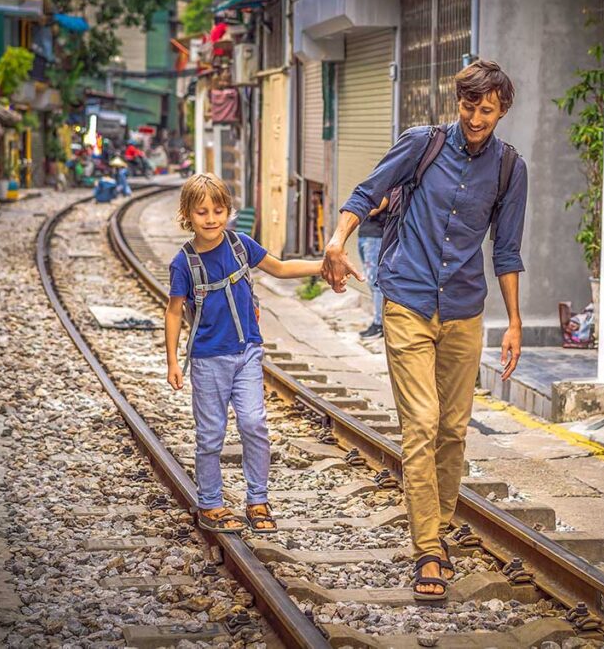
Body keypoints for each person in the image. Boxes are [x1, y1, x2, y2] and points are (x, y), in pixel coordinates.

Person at [321, 59, 527, 601]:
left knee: (454, 430)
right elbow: (366, 195)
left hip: (464, 311)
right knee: (422, 424)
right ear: (457, 103)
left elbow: (505, 251)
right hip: (408, 300)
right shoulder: (422, 144)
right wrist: (338, 240)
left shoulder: (509, 168)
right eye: (468, 106)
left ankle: (436, 526)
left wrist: (514, 324)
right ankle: (430, 550)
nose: (476, 118)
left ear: (502, 110)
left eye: (487, 109)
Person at [165, 173, 322, 533]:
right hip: (207, 358)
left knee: (254, 423)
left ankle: (257, 499)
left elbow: (280, 268)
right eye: (202, 212)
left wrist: (323, 267)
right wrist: (173, 360)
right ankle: (211, 503)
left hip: (248, 352)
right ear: (188, 214)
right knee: (210, 434)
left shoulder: (240, 246)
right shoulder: (183, 263)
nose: (211, 219)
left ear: (228, 211)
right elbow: (174, 311)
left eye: (218, 211)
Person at [357, 197, 389, 340]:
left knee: (375, 282)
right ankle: (378, 322)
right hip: (366, 235)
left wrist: (359, 206)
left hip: (375, 237)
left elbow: (372, 209)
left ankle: (379, 324)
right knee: (371, 281)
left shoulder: (389, 183)